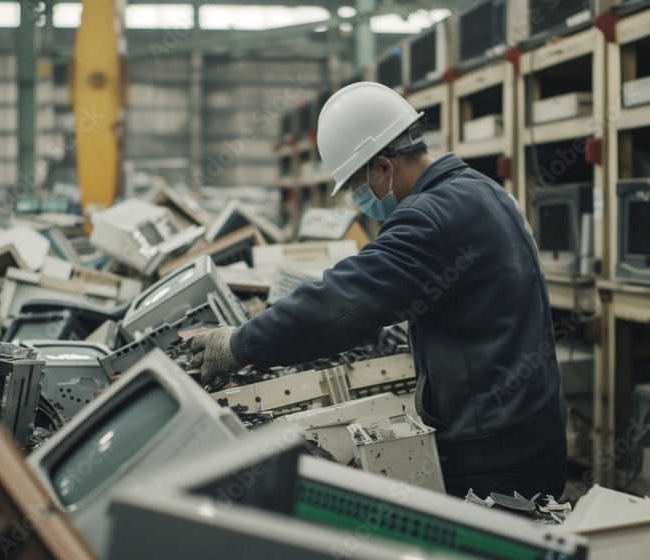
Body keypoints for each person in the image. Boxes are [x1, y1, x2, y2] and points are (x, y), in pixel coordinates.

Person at [190, 82, 567, 501]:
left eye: (356, 186)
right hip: (534, 428)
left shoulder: (430, 218)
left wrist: (241, 344)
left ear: (383, 168)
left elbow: (343, 305)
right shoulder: (483, 189)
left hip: (491, 453)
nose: (357, 199)